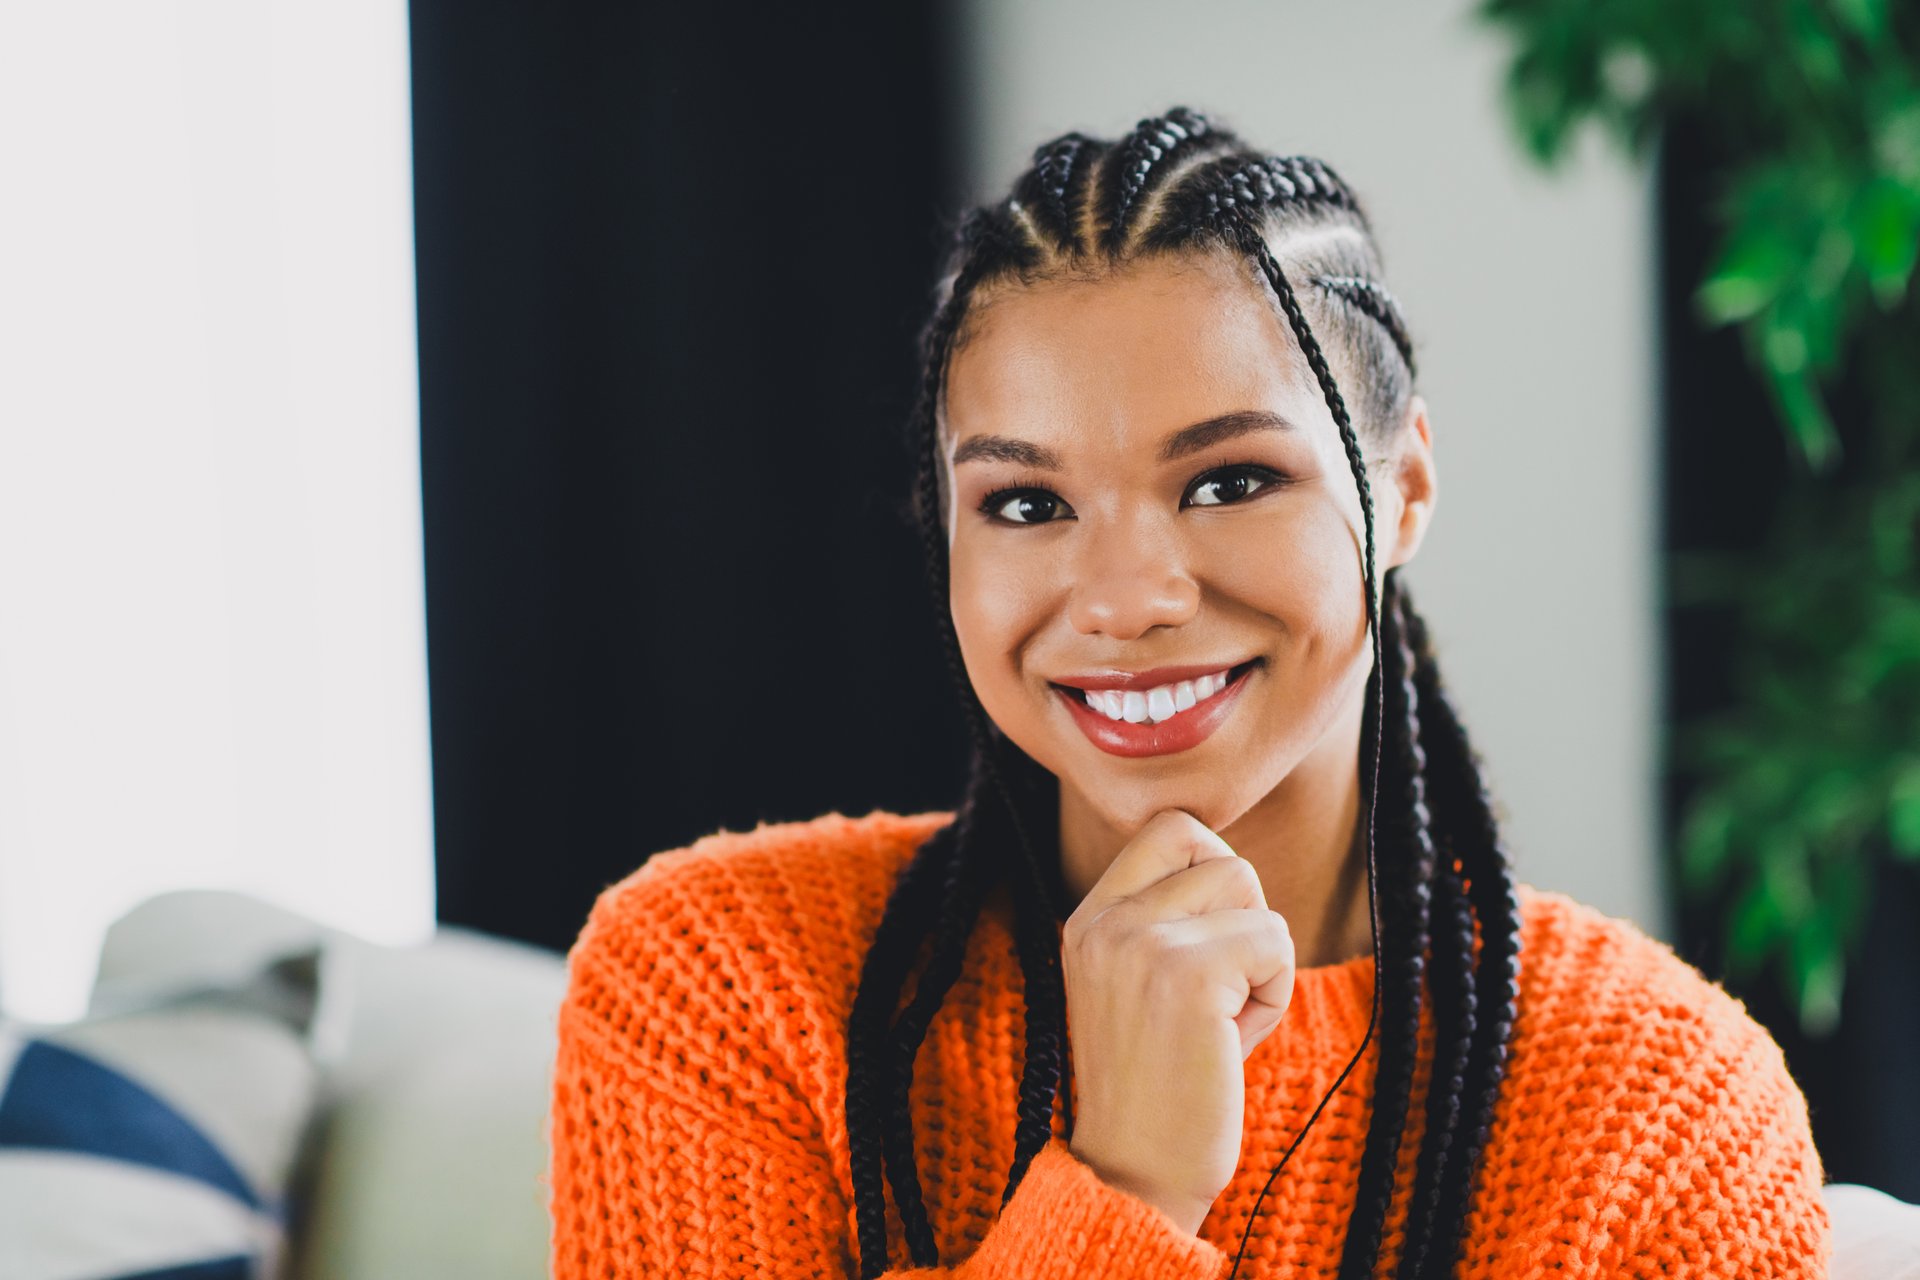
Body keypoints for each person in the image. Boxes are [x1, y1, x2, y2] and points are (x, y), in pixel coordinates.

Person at [545, 107, 1831, 1279]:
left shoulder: (1666, 1115)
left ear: (1405, 490)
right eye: (1027, 503)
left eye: (1227, 481)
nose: (1122, 598)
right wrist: (1128, 1185)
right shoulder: (724, 989)